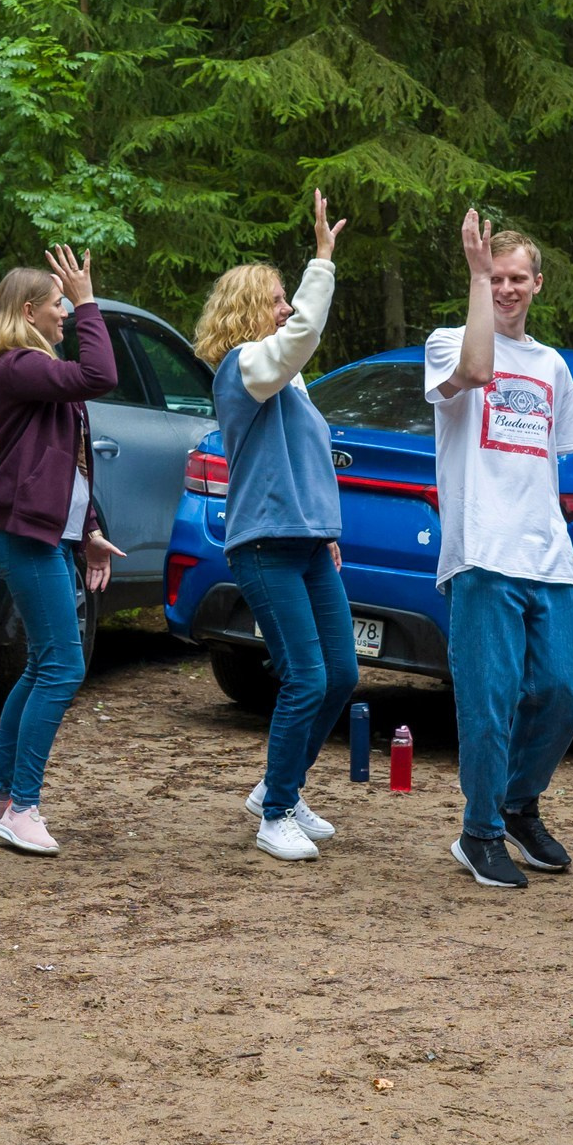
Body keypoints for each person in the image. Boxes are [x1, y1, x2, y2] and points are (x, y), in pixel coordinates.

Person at [426, 214, 573, 891]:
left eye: (518, 277)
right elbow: (477, 367)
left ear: (539, 283)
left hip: (547, 553)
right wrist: (473, 275)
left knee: (564, 685)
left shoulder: (554, 366)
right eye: (496, 277)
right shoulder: (448, 343)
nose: (507, 288)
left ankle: (518, 804)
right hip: (482, 549)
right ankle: (480, 831)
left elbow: (549, 461)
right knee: (489, 699)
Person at [194, 191, 359, 862]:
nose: (286, 306)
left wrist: (326, 529)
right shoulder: (242, 369)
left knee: (343, 673)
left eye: (289, 295)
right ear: (244, 310)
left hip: (309, 545)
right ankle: (277, 811)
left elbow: (306, 461)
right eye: (275, 297)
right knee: (306, 676)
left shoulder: (289, 382)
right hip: (263, 546)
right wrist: (322, 261)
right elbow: (299, 338)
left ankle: (276, 788)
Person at [0, 246, 125, 856]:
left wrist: (87, 531)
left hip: (49, 534)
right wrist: (89, 302)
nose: (66, 315)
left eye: (69, 306)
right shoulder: (15, 365)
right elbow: (101, 375)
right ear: (30, 310)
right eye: (59, 306)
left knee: (43, 665)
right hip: (24, 535)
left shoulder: (33, 368)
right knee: (63, 666)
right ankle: (23, 807)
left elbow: (70, 462)